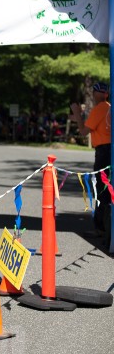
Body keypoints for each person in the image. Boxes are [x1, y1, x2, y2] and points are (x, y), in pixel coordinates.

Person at [70, 82, 111, 243]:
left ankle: (100, 228)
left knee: (101, 189)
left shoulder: (99, 108)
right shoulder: (108, 107)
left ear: (95, 94)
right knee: (107, 188)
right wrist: (78, 117)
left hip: (103, 151)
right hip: (109, 150)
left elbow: (83, 131)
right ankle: (105, 226)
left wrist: (77, 113)